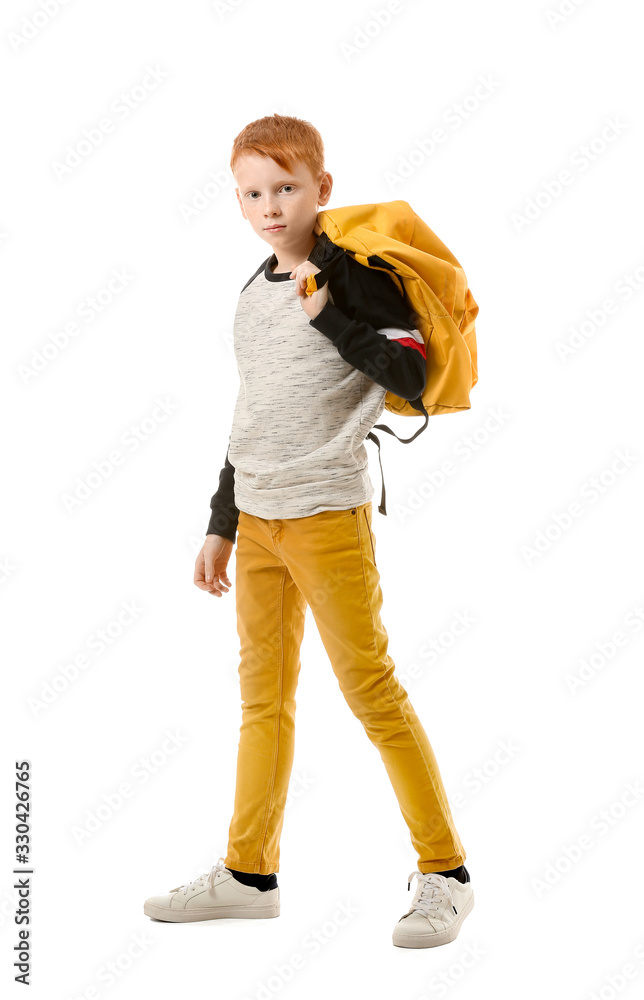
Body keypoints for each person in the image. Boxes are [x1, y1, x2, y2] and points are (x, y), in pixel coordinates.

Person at [143, 114, 474, 948]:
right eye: (252, 192)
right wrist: (221, 522)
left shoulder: (354, 278)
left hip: (328, 516)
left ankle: (447, 873)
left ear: (322, 189)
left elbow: (414, 378)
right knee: (264, 702)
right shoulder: (253, 292)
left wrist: (332, 314)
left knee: (372, 692)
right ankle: (249, 874)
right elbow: (251, 413)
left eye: (285, 187)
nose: (268, 206)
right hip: (256, 523)